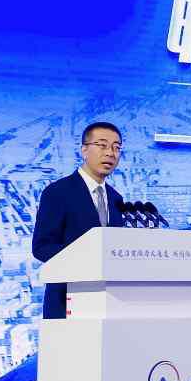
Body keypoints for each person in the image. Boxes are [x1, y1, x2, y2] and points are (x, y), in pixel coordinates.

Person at [32, 121, 126, 319]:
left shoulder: (116, 198)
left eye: (116, 148)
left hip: (109, 304)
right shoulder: (58, 192)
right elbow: (42, 247)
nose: (110, 153)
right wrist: (88, 259)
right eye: (102, 145)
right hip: (66, 301)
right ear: (84, 150)